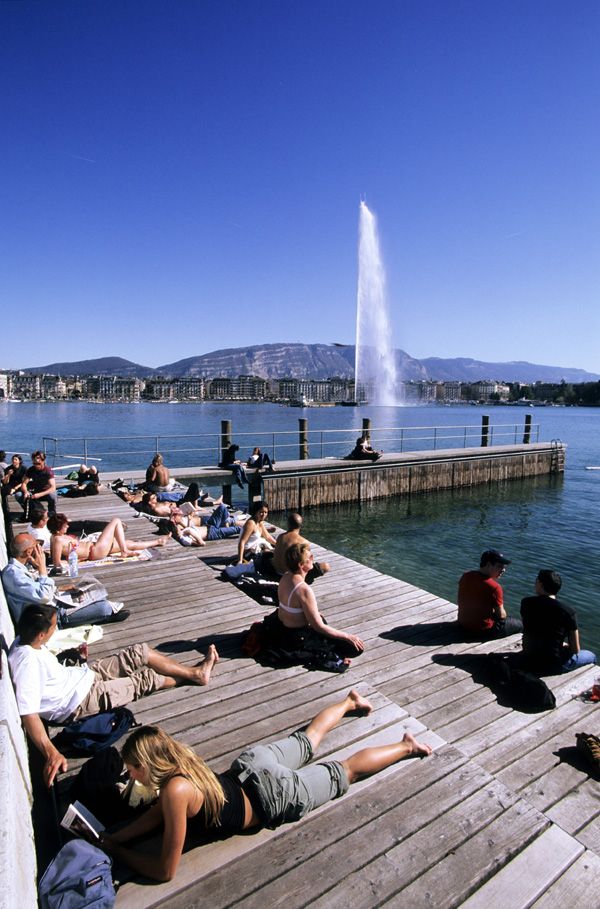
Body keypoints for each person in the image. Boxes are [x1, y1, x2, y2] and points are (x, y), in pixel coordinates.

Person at [98, 689, 431, 882]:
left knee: (345, 770)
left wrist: (118, 851)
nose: (131, 777)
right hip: (250, 765)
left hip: (273, 794)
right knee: (307, 740)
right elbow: (155, 817)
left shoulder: (174, 791)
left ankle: (406, 746)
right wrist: (111, 837)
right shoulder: (180, 760)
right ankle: (348, 702)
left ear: (148, 765)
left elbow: (165, 870)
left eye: (132, 770)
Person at [8, 604, 219, 787]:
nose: (57, 628)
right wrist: (51, 752)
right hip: (80, 700)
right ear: (41, 635)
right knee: (145, 680)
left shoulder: (24, 639)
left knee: (139, 652)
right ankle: (198, 674)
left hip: (84, 676)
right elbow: (29, 714)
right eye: (54, 626)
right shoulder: (26, 664)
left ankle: (194, 673)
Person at [1, 533, 125, 628]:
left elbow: (34, 591)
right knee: (104, 607)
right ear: (28, 552)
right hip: (51, 617)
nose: (40, 550)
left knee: (94, 595)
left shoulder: (18, 569)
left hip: (52, 605)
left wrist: (59, 589)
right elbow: (43, 595)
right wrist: (42, 568)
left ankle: (93, 614)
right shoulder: (13, 574)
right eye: (36, 547)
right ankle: (101, 616)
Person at [274, 541, 364, 659]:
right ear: (302, 565)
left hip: (282, 627)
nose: (313, 558)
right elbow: (319, 627)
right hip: (296, 636)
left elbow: (294, 606)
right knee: (354, 649)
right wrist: (347, 636)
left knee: (320, 618)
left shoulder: (286, 576)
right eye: (310, 557)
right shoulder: (304, 589)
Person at [520, 570, 597, 674]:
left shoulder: (526, 603)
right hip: (552, 665)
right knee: (591, 656)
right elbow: (575, 649)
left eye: (536, 581)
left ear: (541, 584)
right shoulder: (568, 611)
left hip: (529, 657)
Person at [48, 513, 168, 569]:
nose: (67, 527)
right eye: (65, 525)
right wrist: (72, 562)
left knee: (128, 542)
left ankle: (157, 542)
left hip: (95, 547)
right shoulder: (58, 539)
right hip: (95, 551)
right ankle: (124, 551)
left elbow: (59, 554)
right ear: (58, 528)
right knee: (116, 521)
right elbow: (57, 562)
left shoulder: (55, 537)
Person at [457, 549, 523, 638]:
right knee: (520, 624)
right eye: (499, 566)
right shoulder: (495, 587)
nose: (503, 570)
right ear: (488, 565)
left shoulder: (466, 575)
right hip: (483, 631)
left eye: (504, 567)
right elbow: (501, 615)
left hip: (463, 624)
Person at [272, 512, 330, 584]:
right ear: (300, 525)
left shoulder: (280, 536)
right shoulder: (304, 542)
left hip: (277, 572)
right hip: (292, 577)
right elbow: (307, 565)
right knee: (326, 566)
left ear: (288, 524)